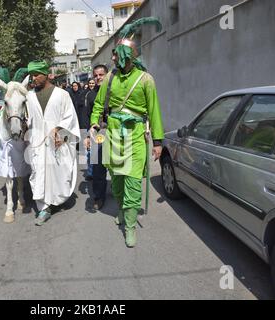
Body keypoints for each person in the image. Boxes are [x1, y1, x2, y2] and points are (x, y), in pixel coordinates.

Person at [89, 17, 164, 248]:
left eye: (120, 57)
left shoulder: (146, 80)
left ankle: (130, 228)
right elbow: (99, 105)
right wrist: (93, 124)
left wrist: (158, 142)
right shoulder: (109, 78)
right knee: (118, 180)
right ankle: (122, 211)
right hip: (112, 135)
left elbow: (154, 112)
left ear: (130, 57)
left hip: (136, 137)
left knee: (132, 182)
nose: (116, 60)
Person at [25, 60, 81, 226]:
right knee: (38, 172)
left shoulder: (62, 94)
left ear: (46, 75)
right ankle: (44, 207)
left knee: (58, 173)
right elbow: (27, 118)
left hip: (57, 141)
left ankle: (55, 199)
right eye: (31, 75)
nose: (33, 78)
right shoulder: (29, 96)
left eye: (36, 75)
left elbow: (70, 116)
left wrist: (59, 129)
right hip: (37, 142)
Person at [83, 65, 109, 210]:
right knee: (98, 168)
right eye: (96, 75)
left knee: (118, 166)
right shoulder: (90, 95)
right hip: (97, 134)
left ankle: (119, 193)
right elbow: (86, 117)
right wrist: (87, 136)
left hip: (114, 133)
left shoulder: (114, 92)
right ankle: (99, 197)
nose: (98, 78)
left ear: (107, 75)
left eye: (101, 74)